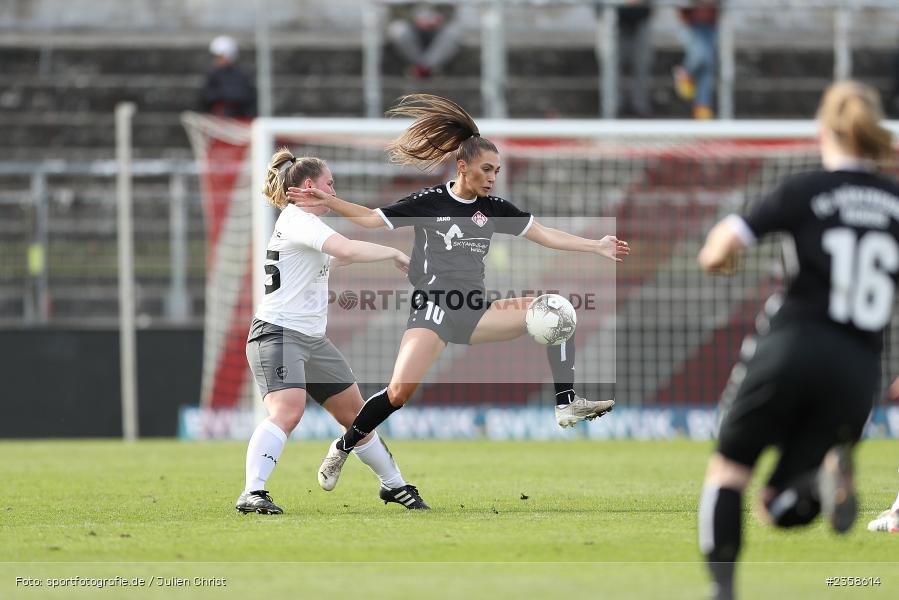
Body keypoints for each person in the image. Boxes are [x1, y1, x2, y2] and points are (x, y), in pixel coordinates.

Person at [286, 94, 630, 494]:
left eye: (497, 171)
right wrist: (329, 201)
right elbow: (371, 219)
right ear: (462, 166)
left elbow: (543, 234)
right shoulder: (429, 202)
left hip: (474, 310)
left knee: (555, 310)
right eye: (486, 169)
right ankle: (343, 447)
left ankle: (566, 403)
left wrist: (595, 245)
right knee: (399, 393)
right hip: (432, 309)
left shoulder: (494, 208)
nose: (492, 178)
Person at [696, 80, 899, 600]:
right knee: (777, 503)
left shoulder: (805, 190)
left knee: (728, 473)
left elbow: (721, 246)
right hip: (858, 371)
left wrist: (722, 259)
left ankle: (722, 591)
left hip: (795, 345)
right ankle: (820, 476)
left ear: (823, 131)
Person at [235, 150, 430, 515]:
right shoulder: (298, 220)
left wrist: (385, 254)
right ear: (309, 187)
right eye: (330, 184)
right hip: (277, 334)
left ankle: (394, 485)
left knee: (357, 416)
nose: (333, 190)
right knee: (288, 411)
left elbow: (340, 255)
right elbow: (345, 247)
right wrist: (392, 253)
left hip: (311, 340)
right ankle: (252, 492)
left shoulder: (305, 227)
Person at [386, 3, 461, 78]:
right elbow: (396, 10)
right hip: (412, 28)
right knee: (397, 28)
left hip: (439, 29)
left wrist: (439, 19)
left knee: (453, 31)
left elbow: (452, 10)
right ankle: (424, 68)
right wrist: (415, 20)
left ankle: (425, 68)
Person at [673, 0, 718, 120]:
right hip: (690, 22)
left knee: (707, 66)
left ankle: (702, 107)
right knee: (700, 56)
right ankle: (685, 73)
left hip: (711, 23)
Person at [613, 0, 655, 117]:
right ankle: (615, 107)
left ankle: (640, 108)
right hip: (615, 20)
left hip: (641, 19)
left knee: (642, 65)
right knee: (613, 67)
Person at [200, 35, 256, 118]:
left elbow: (245, 96)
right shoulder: (212, 75)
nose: (217, 60)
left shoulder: (242, 75)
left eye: (220, 57)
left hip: (238, 119)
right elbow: (205, 96)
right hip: (217, 119)